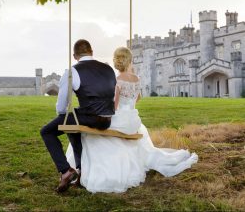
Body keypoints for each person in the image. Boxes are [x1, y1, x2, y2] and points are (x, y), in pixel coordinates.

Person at [66, 47, 198, 193]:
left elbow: (114, 106)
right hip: (133, 120)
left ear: (117, 62)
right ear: (129, 60)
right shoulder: (137, 79)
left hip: (121, 119)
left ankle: (86, 168)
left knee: (90, 133)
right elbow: (138, 98)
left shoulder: (117, 80)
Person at [40, 39, 116, 193]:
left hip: (89, 116)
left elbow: (62, 106)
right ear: (92, 52)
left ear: (75, 56)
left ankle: (65, 171)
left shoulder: (72, 71)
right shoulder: (108, 69)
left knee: (47, 131)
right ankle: (81, 170)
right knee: (72, 125)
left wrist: (63, 115)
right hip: (107, 119)